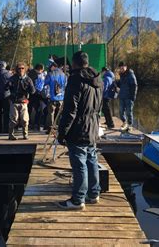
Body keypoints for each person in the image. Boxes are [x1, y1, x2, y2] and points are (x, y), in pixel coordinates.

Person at [56, 51, 103, 210]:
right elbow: (101, 105)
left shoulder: (75, 80)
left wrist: (62, 132)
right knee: (92, 159)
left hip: (78, 128)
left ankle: (78, 199)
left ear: (74, 64)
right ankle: (94, 193)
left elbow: (70, 110)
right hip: (93, 127)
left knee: (79, 164)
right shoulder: (98, 79)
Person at [8, 62, 35, 140]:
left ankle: (25, 135)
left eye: (22, 68)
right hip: (14, 102)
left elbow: (33, 91)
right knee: (13, 120)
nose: (21, 70)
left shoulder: (28, 79)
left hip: (24, 102)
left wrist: (28, 91)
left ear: (25, 69)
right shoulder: (12, 78)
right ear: (16, 69)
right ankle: (11, 135)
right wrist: (9, 85)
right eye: (19, 68)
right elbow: (6, 88)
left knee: (25, 120)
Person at [44, 59, 66, 132]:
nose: (49, 68)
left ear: (53, 66)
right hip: (61, 98)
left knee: (51, 114)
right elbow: (65, 85)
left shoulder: (50, 74)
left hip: (52, 97)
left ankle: (51, 129)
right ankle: (61, 129)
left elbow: (45, 83)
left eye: (50, 67)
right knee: (60, 114)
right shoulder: (63, 74)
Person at [117, 61, 138, 131]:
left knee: (129, 112)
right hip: (122, 96)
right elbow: (121, 85)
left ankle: (130, 125)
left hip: (129, 97)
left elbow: (134, 85)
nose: (121, 69)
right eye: (120, 68)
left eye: (123, 67)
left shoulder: (130, 75)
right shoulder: (121, 75)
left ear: (126, 67)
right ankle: (124, 122)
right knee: (120, 112)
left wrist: (133, 96)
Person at [28, 63, 46, 131]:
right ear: (39, 69)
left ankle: (30, 124)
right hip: (36, 94)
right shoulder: (34, 75)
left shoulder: (30, 73)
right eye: (42, 70)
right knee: (38, 109)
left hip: (31, 95)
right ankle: (36, 124)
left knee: (30, 109)